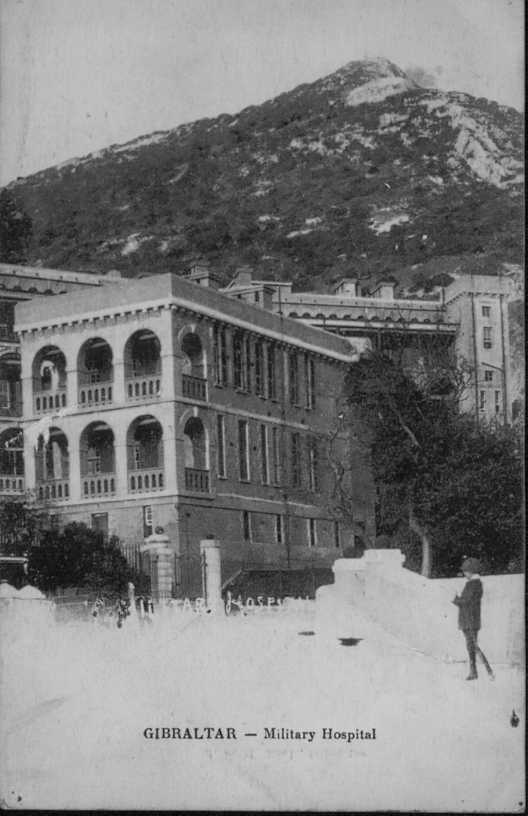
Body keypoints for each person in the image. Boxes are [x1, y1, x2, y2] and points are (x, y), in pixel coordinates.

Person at [452, 557, 494, 681]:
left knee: (473, 646)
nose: (464, 573)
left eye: (466, 571)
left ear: (471, 571)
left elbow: (466, 601)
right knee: (471, 646)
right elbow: (468, 601)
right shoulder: (475, 584)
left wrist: (455, 599)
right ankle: (475, 672)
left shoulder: (472, 584)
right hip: (471, 620)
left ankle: (488, 671)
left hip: (469, 620)